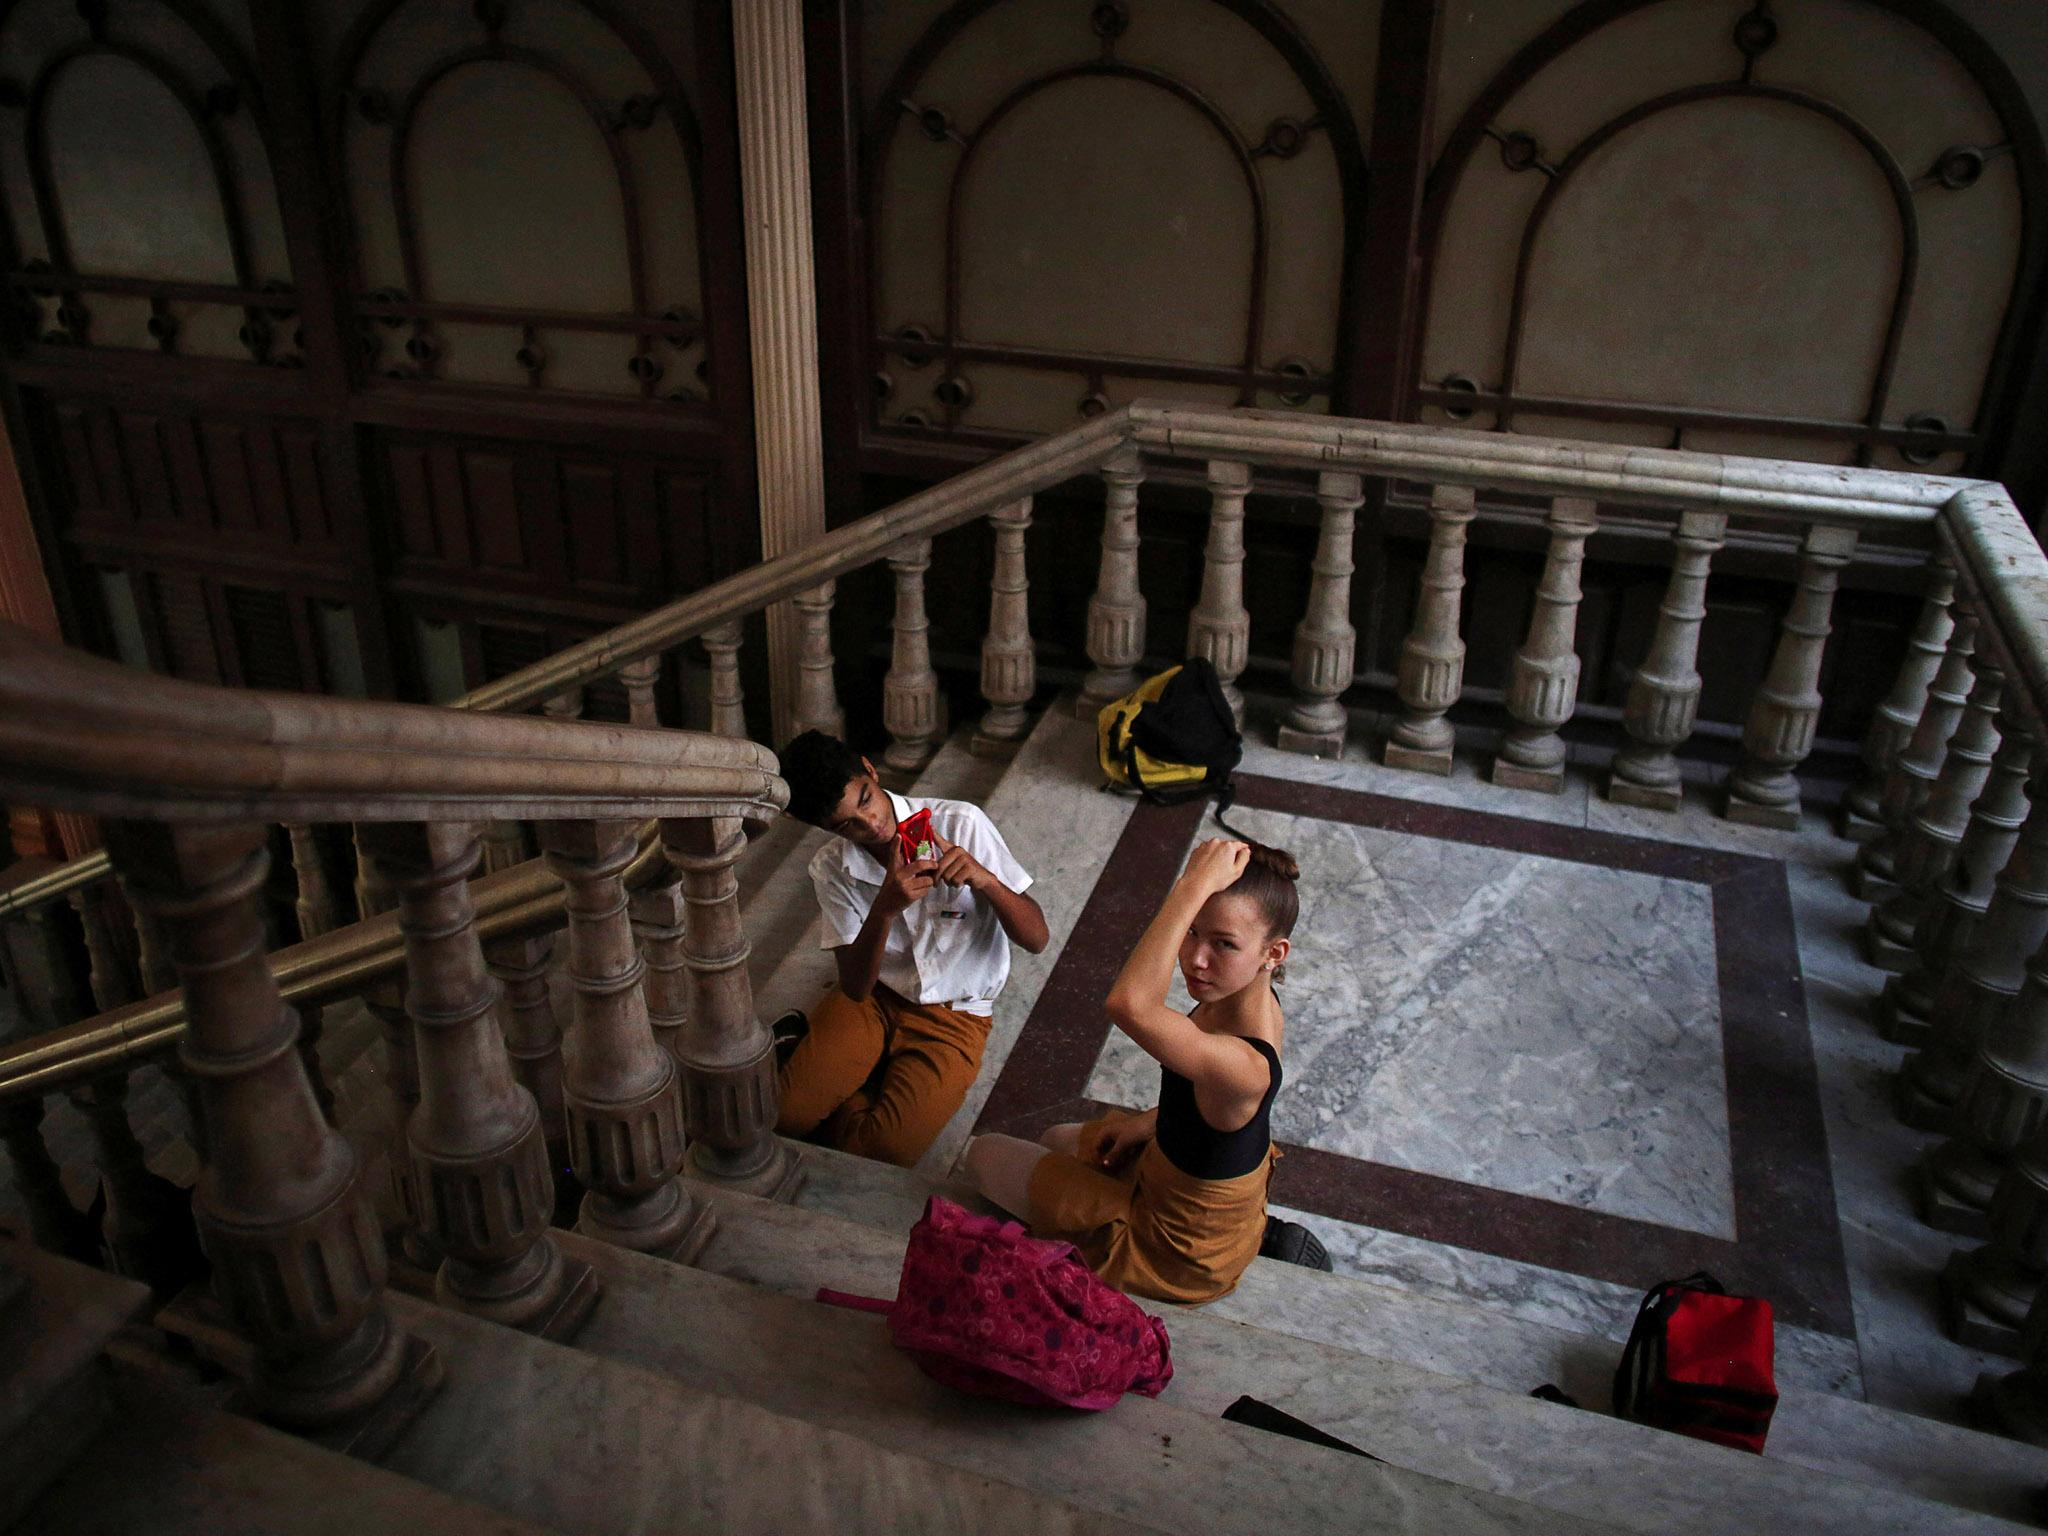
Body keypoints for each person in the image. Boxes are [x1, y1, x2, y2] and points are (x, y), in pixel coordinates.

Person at [963, 835, 1297, 1305]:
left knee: (981, 1155)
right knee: (1058, 1137)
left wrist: (1189, 888)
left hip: (1175, 1246)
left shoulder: (1247, 1067)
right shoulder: (1249, 995)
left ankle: (1070, 1256)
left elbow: (1128, 1004)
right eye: (1192, 931)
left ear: (1273, 954)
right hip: (1173, 1167)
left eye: (1224, 943)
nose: (1195, 959)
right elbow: (1207, 1105)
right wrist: (1147, 1123)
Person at [772, 730, 1048, 1167]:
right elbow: (857, 988)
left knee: (886, 1152)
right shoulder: (830, 868)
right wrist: (883, 910)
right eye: (846, 824)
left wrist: (987, 881)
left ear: (870, 769)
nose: (872, 825)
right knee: (784, 1118)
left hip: (955, 1014)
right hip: (875, 1001)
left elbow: (1037, 938)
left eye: (866, 799)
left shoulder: (960, 824)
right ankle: (826, 1064)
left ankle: (837, 1073)